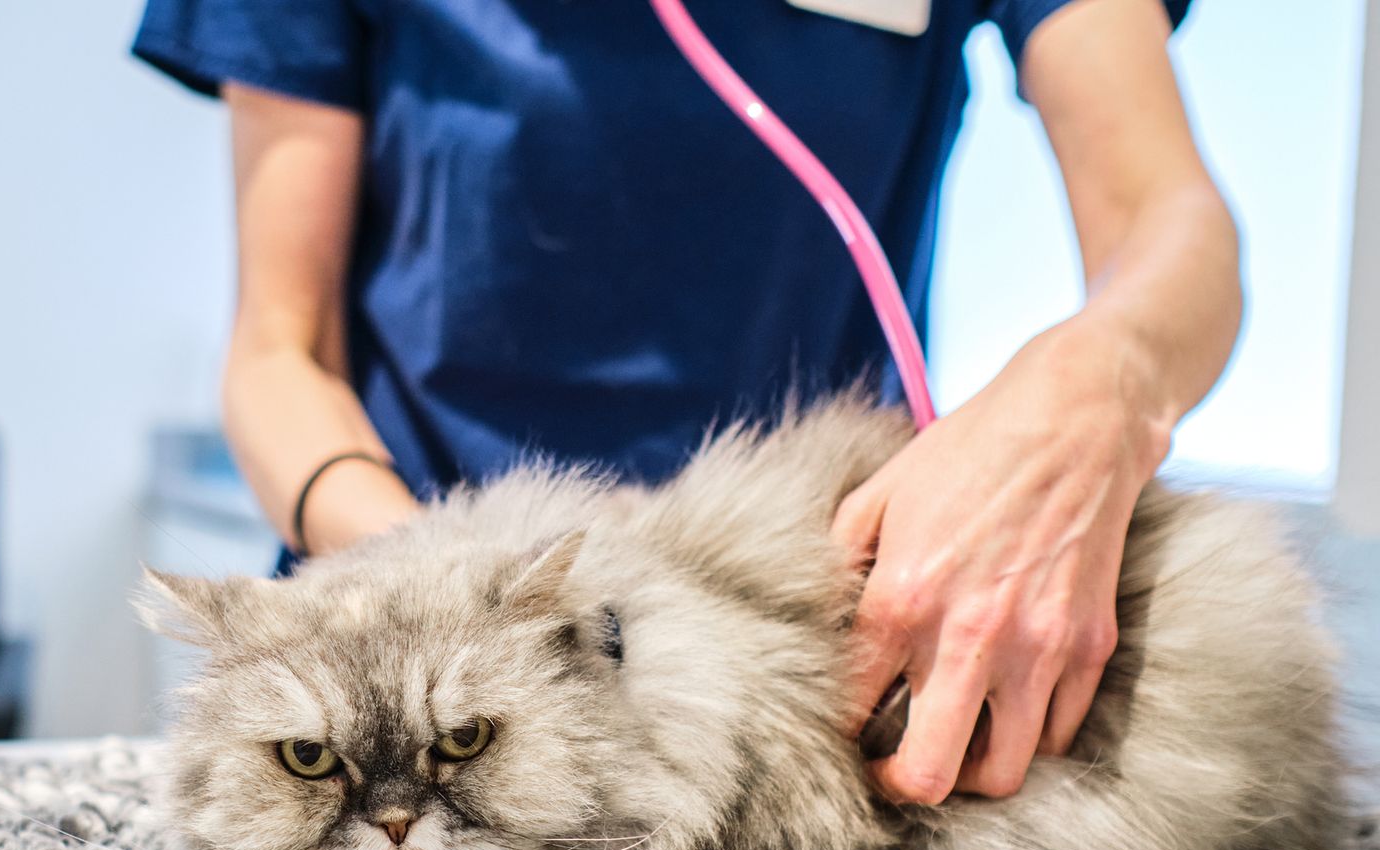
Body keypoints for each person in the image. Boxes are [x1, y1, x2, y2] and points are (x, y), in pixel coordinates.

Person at [129, 0, 1239, 807]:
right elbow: (279, 352)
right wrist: (441, 594)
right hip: (426, 649)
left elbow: (1175, 234)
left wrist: (1093, 389)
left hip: (815, 655)